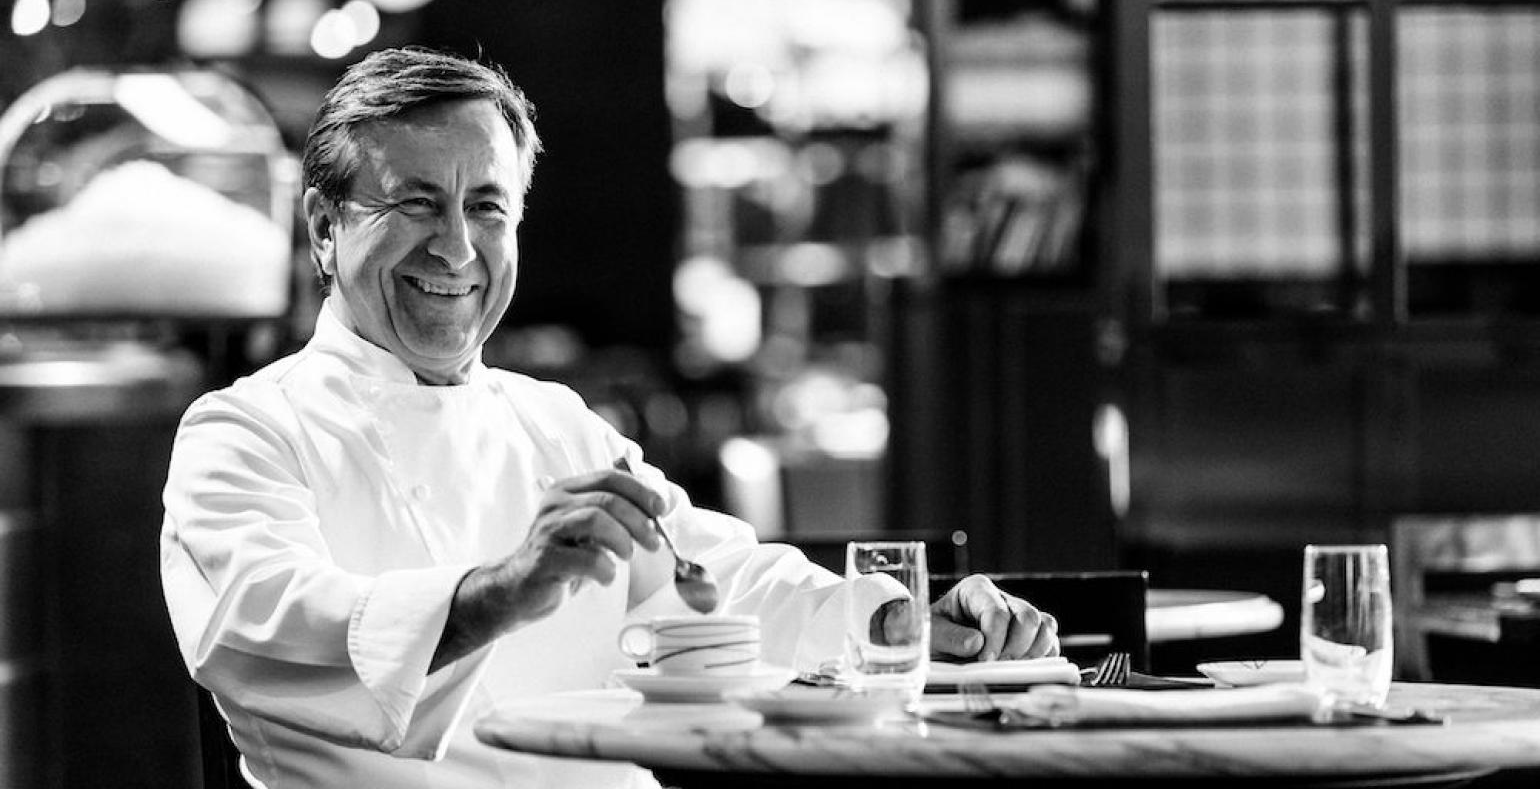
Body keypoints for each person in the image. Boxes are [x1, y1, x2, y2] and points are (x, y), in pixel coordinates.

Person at [160, 46, 1058, 789]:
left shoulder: (557, 423)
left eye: (486, 207)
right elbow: (265, 623)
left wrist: (895, 622)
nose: (457, 248)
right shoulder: (245, 432)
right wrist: (499, 591)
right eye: (415, 203)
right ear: (324, 227)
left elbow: (717, 578)